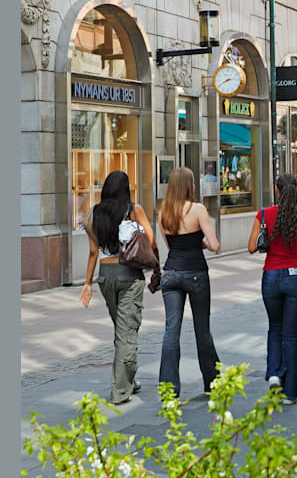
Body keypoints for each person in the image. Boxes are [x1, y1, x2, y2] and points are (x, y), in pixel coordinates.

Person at [79, 171, 159, 405]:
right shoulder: (135, 210)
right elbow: (152, 240)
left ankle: (128, 381)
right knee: (127, 332)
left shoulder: (93, 214)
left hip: (105, 277)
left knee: (121, 331)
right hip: (128, 274)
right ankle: (120, 392)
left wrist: (87, 283)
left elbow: (94, 251)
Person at [248, 174, 297, 405]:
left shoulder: (264, 215)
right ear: (295, 191)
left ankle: (274, 374)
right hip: (296, 278)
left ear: (277, 191)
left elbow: (250, 247)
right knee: (291, 335)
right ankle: (290, 393)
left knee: (274, 328)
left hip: (271, 277)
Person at [157, 167, 221, 398]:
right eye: (193, 183)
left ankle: (168, 390)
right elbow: (214, 245)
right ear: (188, 186)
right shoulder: (198, 209)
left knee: (170, 331)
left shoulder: (163, 212)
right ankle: (212, 382)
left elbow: (171, 246)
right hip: (195, 273)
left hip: (171, 272)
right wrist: (201, 241)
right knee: (201, 329)